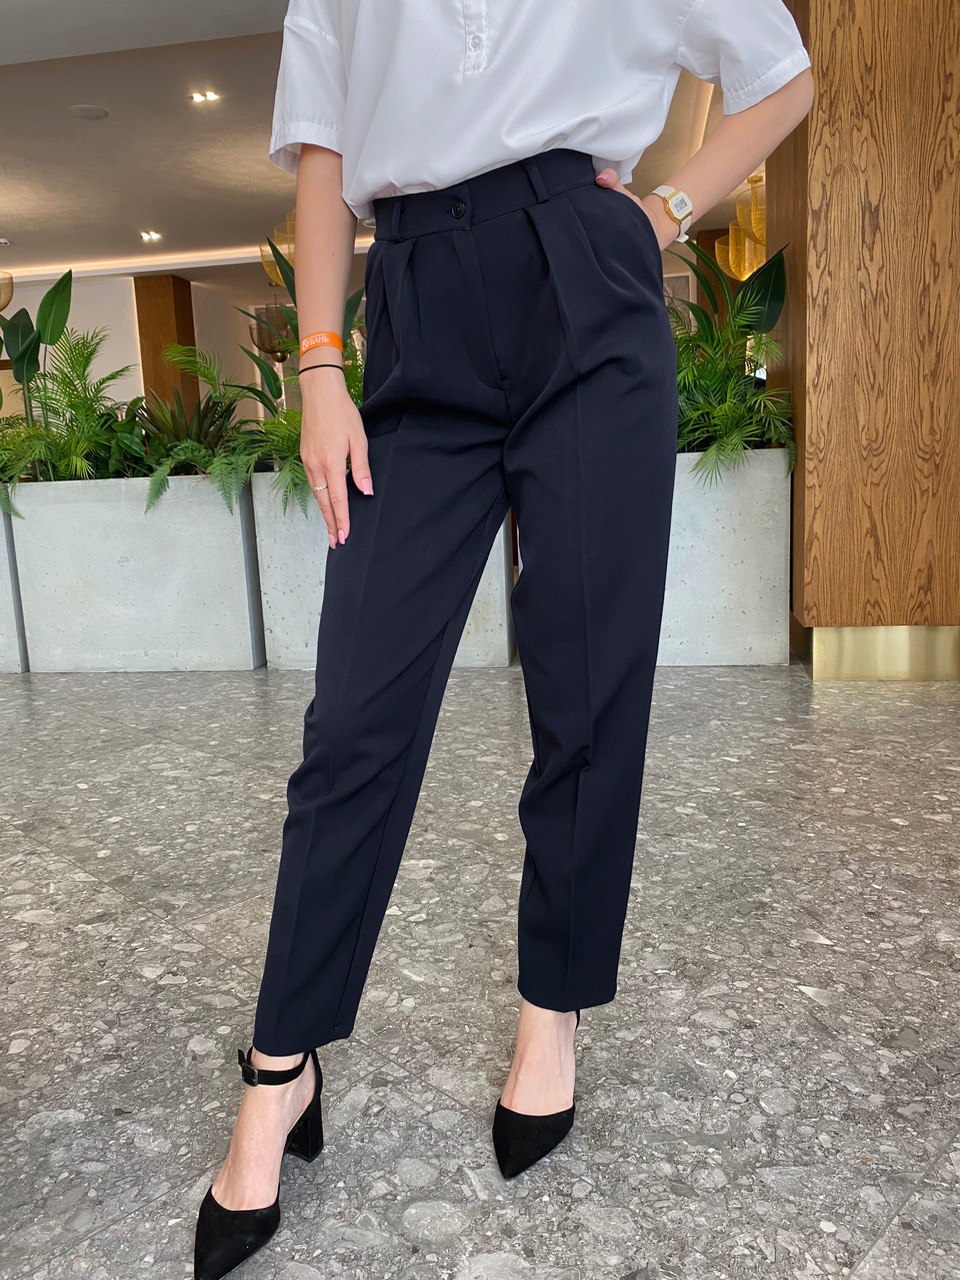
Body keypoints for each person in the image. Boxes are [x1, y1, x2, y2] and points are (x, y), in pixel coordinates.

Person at [194, 2, 814, 1275]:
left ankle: (554, 1007)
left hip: (586, 276)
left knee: (587, 687)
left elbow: (783, 78)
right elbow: (325, 151)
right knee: (354, 717)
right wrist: (321, 366)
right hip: (415, 297)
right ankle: (280, 1059)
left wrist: (665, 211)